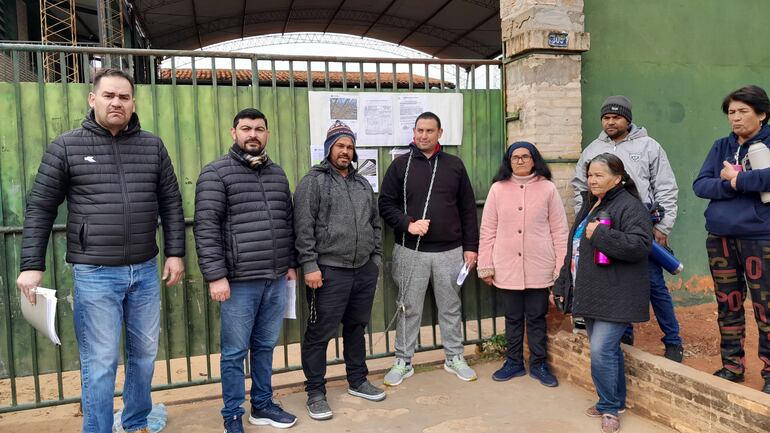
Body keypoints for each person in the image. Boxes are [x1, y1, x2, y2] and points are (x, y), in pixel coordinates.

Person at [15, 69, 185, 433]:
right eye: (108, 95)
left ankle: (137, 421)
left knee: (143, 357)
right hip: (95, 275)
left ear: (133, 103)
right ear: (93, 99)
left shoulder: (152, 146)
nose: (116, 103)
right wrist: (32, 264)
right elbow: (41, 206)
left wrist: (174, 252)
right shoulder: (67, 146)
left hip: (144, 270)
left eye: (124, 97)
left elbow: (171, 202)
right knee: (102, 361)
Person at [194, 108, 298, 432]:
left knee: (265, 347)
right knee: (234, 352)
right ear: (233, 132)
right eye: (246, 128)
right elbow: (206, 227)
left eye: (259, 129)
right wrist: (215, 275)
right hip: (238, 282)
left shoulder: (278, 174)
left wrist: (290, 264)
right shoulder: (216, 174)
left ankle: (263, 405)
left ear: (267, 134)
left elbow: (287, 222)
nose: (252, 134)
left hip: (275, 278)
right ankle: (232, 416)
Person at [571, 95, 684, 362]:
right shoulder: (592, 150)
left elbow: (665, 187)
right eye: (606, 118)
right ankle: (625, 338)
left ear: (628, 119)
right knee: (617, 286)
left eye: (616, 117)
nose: (611, 122)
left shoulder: (649, 146)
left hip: (640, 228)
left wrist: (663, 227)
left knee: (655, 286)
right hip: (604, 231)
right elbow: (580, 187)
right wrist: (588, 217)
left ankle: (673, 340)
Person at [378, 112, 479, 385]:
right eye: (419, 130)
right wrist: (407, 225)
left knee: (450, 306)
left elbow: (468, 209)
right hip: (410, 250)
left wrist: (471, 247)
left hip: (450, 251)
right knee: (408, 307)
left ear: (440, 133)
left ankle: (454, 357)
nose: (424, 135)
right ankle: (403, 360)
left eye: (429, 131)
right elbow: (385, 205)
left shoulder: (454, 165)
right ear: (414, 132)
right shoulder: (400, 165)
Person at [554, 153, 652, 433]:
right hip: (594, 291)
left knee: (601, 350)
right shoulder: (591, 204)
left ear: (617, 178)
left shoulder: (630, 207)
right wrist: (564, 282)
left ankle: (609, 408)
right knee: (609, 351)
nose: (592, 180)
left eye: (598, 175)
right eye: (589, 175)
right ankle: (616, 401)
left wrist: (599, 235)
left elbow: (640, 245)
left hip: (616, 293)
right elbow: (574, 247)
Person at [294, 120, 385, 420]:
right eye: (340, 146)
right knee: (319, 333)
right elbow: (303, 227)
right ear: (329, 148)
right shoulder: (314, 181)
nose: (345, 151)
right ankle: (316, 391)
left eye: (349, 146)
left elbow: (375, 222)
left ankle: (357, 380)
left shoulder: (362, 184)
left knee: (356, 328)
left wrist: (376, 258)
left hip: (363, 269)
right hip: (328, 271)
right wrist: (310, 265)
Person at [692, 85, 770, 394]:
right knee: (728, 303)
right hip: (720, 237)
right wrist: (736, 185)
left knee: (765, 308)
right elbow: (701, 185)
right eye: (731, 113)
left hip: (760, 237)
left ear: (762, 114)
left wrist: (737, 179)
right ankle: (732, 365)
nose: (735, 118)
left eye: (743, 112)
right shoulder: (720, 146)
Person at [477, 141, 568, 387]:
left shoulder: (548, 188)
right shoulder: (498, 189)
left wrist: (561, 268)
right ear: (508, 162)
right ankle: (514, 362)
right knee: (513, 317)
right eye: (514, 157)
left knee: (537, 317)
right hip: (506, 265)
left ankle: (539, 364)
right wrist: (485, 263)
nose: (520, 161)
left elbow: (560, 231)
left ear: (534, 159)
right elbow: (488, 230)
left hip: (540, 265)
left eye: (525, 156)